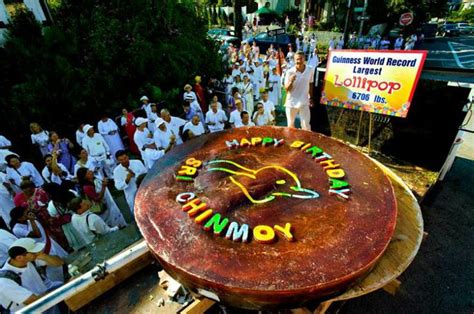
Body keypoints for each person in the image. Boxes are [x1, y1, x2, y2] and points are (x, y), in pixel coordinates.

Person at [0, 238, 64, 312]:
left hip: (45, 295)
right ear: (19, 257)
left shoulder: (27, 260)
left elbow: (59, 262)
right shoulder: (4, 282)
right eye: (34, 252)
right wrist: (64, 289)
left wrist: (44, 256)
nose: (38, 252)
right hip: (32, 309)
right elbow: (34, 302)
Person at [9, 206, 67, 282]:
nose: (28, 214)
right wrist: (32, 221)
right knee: (52, 268)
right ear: (20, 219)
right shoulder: (17, 229)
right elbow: (37, 235)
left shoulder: (30, 220)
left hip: (49, 243)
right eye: (25, 214)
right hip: (39, 250)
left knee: (62, 261)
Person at [43, 183, 86, 252]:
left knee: (80, 245)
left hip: (69, 227)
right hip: (82, 218)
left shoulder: (52, 205)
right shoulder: (71, 193)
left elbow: (53, 216)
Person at [284, 51, 315, 130]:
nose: (299, 61)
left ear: (304, 59)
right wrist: (291, 81)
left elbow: (311, 83)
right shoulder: (289, 72)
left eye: (301, 59)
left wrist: (311, 97)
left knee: (306, 126)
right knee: (290, 126)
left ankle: (306, 141)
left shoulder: (310, 70)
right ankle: (291, 141)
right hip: (291, 103)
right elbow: (286, 89)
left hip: (304, 102)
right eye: (297, 59)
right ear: (294, 60)